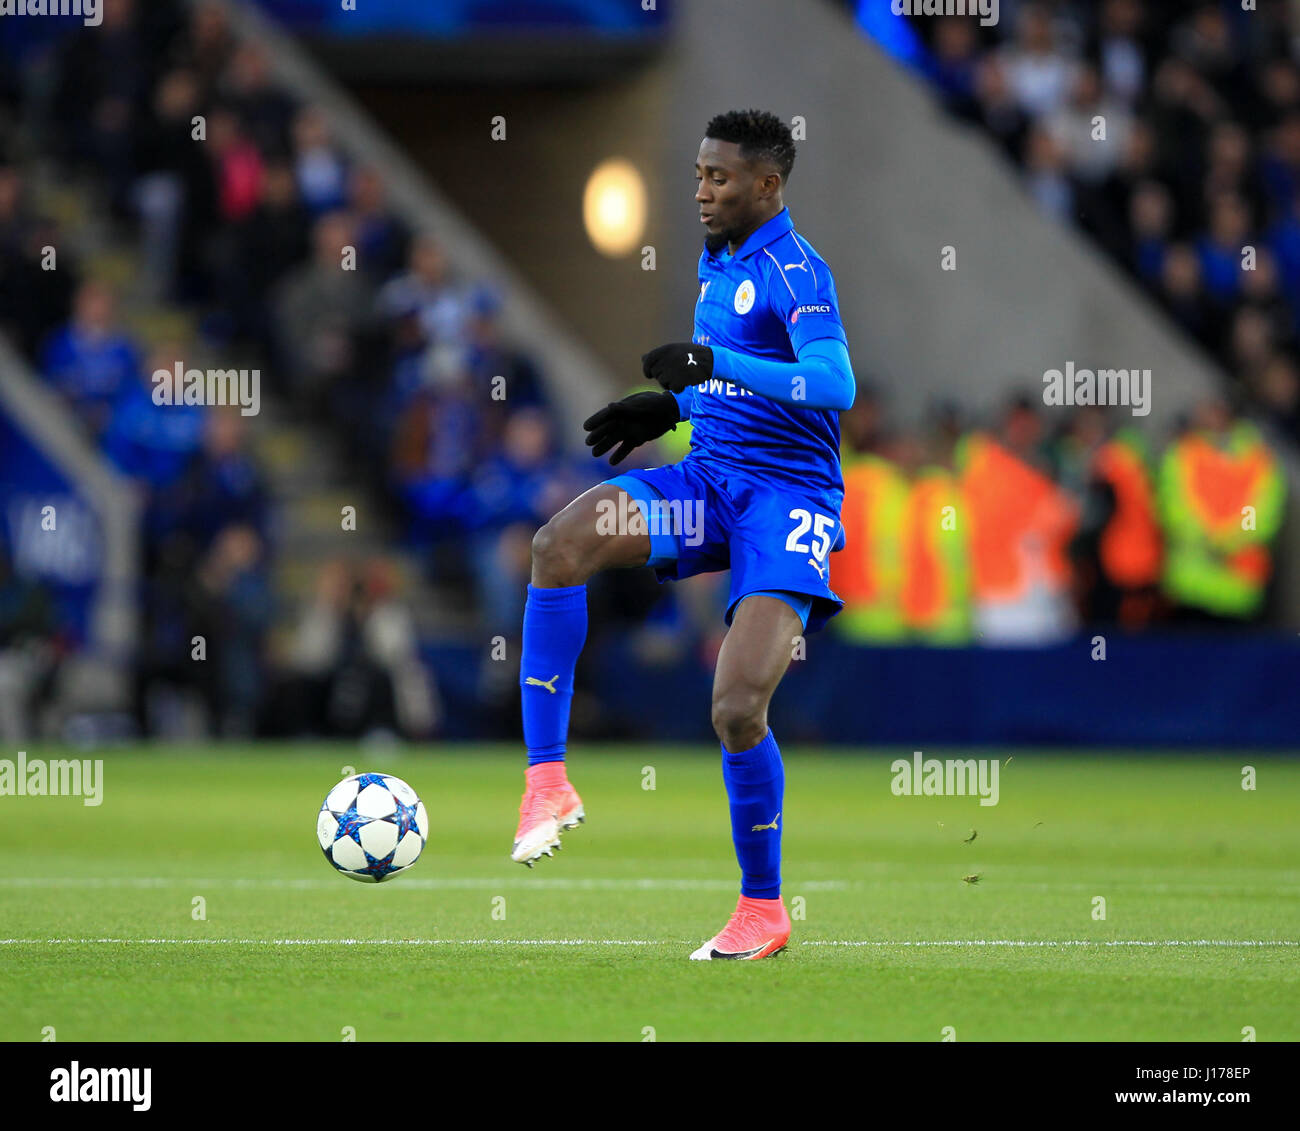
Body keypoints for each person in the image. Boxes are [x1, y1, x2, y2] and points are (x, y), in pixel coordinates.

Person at [513, 110, 856, 961]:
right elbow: (723, 383)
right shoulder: (717, 263)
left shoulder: (797, 268)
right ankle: (547, 781)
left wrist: (714, 368)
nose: (701, 190)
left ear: (767, 185)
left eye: (720, 178)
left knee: (737, 707)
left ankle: (763, 909)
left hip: (786, 501)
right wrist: (671, 404)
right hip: (708, 484)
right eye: (700, 174)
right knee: (559, 544)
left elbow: (832, 379)